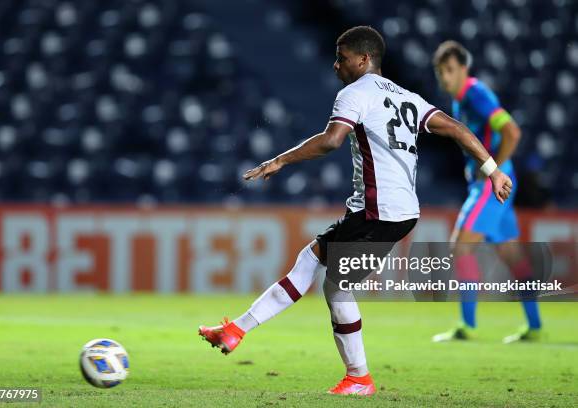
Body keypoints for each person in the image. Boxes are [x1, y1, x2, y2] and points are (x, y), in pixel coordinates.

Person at [198, 27, 513, 396]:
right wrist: (492, 170)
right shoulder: (407, 97)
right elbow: (457, 128)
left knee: (337, 288)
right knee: (310, 260)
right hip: (387, 210)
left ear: (363, 59)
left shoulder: (354, 93)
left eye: (342, 57)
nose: (335, 64)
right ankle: (236, 330)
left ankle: (359, 378)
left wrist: (280, 160)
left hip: (381, 212)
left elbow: (332, 140)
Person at [431, 41, 542, 344]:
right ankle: (535, 326)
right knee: (512, 255)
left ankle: (468, 326)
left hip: (489, 185)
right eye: (441, 72)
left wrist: (495, 171)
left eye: (450, 70)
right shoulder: (459, 101)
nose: (445, 78)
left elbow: (512, 131)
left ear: (464, 69)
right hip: (497, 181)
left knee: (460, 247)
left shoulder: (475, 95)